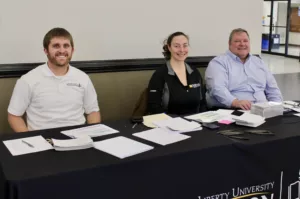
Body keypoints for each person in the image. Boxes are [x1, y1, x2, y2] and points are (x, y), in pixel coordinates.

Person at [8, 27, 101, 132]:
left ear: (72, 50)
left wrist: (93, 134)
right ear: (45, 50)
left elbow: (93, 112)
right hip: (42, 140)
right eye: (56, 46)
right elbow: (14, 116)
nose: (62, 50)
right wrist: (31, 140)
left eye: (66, 46)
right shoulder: (28, 80)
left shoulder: (83, 78)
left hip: (79, 138)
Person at [205, 28, 282, 110]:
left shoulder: (259, 62)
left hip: (262, 109)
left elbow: (272, 88)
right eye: (237, 41)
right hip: (232, 110)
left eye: (245, 41)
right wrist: (235, 102)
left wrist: (277, 107)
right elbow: (218, 89)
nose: (242, 44)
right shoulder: (218, 63)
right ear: (229, 44)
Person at [147, 32, 206, 115]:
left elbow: (202, 104)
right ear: (169, 47)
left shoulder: (195, 72)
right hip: (168, 124)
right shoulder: (160, 74)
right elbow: (154, 107)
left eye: (185, 45)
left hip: (196, 123)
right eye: (176, 46)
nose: (181, 50)